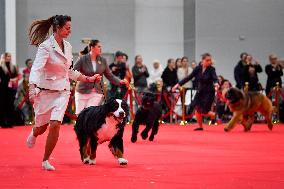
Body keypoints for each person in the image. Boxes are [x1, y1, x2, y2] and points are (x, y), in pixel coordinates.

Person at [26, 15, 101, 171]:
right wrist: (32, 87)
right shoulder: (45, 46)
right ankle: (34, 132)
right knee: (42, 128)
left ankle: (45, 160)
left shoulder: (68, 46)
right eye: (67, 28)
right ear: (57, 28)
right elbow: (37, 68)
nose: (70, 30)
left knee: (55, 124)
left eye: (70, 28)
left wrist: (88, 78)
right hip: (45, 92)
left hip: (62, 91)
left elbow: (69, 71)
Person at [74, 41, 128, 115]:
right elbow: (73, 72)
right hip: (82, 90)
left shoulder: (103, 61)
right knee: (79, 114)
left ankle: (90, 126)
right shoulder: (82, 59)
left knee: (90, 113)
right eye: (98, 46)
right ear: (92, 48)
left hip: (97, 91)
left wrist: (120, 81)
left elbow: (109, 75)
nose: (101, 48)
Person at [172, 53, 218, 130]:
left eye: (210, 60)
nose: (209, 62)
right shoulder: (198, 68)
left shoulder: (211, 69)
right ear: (202, 60)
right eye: (207, 60)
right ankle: (200, 126)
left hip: (209, 92)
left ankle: (214, 115)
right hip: (200, 91)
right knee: (196, 108)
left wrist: (216, 84)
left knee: (204, 111)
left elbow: (215, 78)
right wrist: (178, 84)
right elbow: (189, 77)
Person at [0, 52, 20, 128]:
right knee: (3, 105)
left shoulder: (13, 67)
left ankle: (10, 122)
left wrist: (15, 79)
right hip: (3, 89)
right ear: (4, 57)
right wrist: (10, 80)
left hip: (11, 89)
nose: (9, 57)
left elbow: (16, 76)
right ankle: (3, 123)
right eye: (8, 56)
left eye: (10, 56)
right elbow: (3, 78)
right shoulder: (1, 67)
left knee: (10, 105)